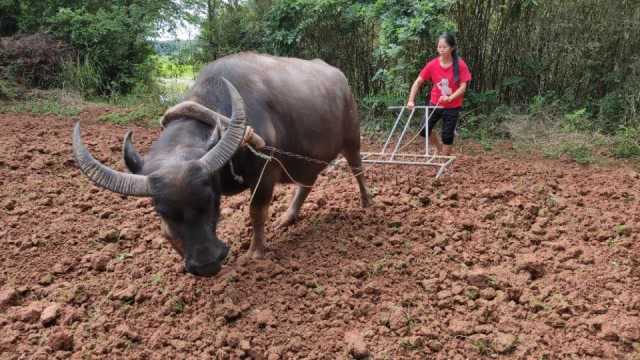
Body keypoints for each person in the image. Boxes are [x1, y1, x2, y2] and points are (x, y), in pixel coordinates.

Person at [406, 32, 472, 156]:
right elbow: (417, 82)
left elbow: (463, 87)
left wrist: (450, 98)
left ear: (452, 48)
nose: (441, 50)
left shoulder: (460, 65)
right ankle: (438, 147)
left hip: (452, 106)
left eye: (444, 47)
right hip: (435, 103)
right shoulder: (432, 64)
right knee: (424, 129)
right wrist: (411, 100)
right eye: (439, 47)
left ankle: (444, 162)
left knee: (447, 135)